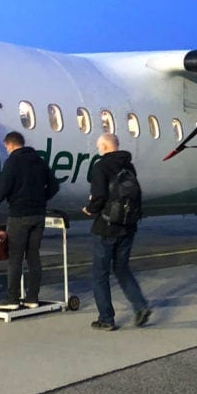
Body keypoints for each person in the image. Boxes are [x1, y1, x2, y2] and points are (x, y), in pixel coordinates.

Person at [0, 131, 60, 310]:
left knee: (15, 258)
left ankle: (12, 299)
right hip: (38, 215)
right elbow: (54, 185)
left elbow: (2, 188)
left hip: (19, 215)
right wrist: (41, 199)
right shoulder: (39, 161)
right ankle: (32, 297)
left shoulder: (13, 162)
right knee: (33, 257)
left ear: (10, 145)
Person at [83, 133, 151, 331]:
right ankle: (141, 306)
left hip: (105, 227)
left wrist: (89, 209)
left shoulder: (101, 166)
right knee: (122, 269)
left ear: (104, 147)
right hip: (128, 227)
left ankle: (106, 319)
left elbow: (99, 196)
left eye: (99, 146)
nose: (98, 150)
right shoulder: (129, 166)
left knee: (100, 274)